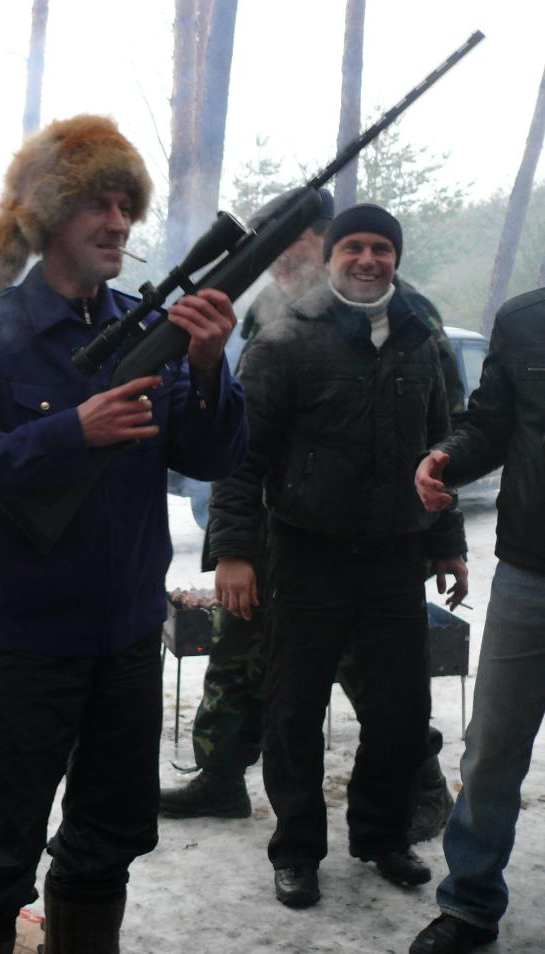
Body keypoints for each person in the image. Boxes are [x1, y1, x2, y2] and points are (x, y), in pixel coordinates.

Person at [0, 115, 248, 954]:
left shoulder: (155, 334)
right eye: (99, 204)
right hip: (30, 639)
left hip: (130, 637)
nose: (119, 223)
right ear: (52, 215)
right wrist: (69, 432)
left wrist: (207, 368)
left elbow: (212, 456)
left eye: (127, 206)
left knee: (108, 841)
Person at [162, 192, 458, 846]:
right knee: (242, 655)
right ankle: (222, 774)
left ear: (318, 243)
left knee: (376, 678)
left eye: (284, 246)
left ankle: (421, 783)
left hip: (368, 540)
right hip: (283, 531)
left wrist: (443, 539)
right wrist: (234, 548)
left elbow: (442, 434)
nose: (273, 262)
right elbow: (245, 442)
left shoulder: (409, 319)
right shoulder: (275, 313)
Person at [410, 287, 545, 954]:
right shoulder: (525, 321)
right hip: (530, 572)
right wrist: (447, 459)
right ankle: (469, 901)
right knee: (492, 745)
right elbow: (490, 425)